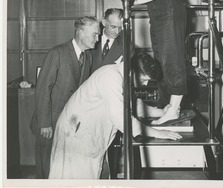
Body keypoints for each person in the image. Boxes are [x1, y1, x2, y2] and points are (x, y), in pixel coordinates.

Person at [48, 50, 182, 179]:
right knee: (74, 180)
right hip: (75, 136)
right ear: (132, 72)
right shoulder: (110, 76)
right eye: (144, 79)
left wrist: (161, 112)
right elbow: (121, 117)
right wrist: (156, 133)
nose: (145, 84)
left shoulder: (122, 78)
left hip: (86, 135)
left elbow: (133, 105)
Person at [30, 16, 100, 179]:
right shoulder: (57, 53)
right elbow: (42, 89)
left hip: (69, 123)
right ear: (80, 32)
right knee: (46, 168)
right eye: (94, 34)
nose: (97, 39)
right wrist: (45, 123)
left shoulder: (88, 56)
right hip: (50, 123)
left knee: (61, 169)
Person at [132, 0, 187, 125]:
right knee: (162, 59)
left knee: (171, 58)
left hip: (167, 5)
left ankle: (174, 108)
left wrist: (135, 2)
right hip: (159, 8)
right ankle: (170, 104)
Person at [90, 8, 125, 74]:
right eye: (113, 27)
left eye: (120, 27)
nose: (117, 31)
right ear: (104, 22)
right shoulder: (90, 39)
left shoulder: (126, 45)